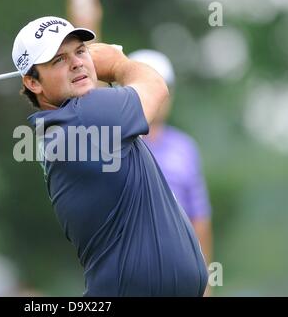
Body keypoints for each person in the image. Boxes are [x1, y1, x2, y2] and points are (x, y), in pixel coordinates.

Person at [12, 16, 208, 296]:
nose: (77, 62)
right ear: (33, 82)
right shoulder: (85, 116)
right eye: (58, 60)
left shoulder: (71, 121)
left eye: (80, 51)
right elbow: (156, 85)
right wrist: (117, 63)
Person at [127, 50, 213, 269]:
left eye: (165, 87)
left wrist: (205, 280)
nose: (160, 95)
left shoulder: (185, 147)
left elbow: (199, 217)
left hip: (180, 270)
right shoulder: (116, 143)